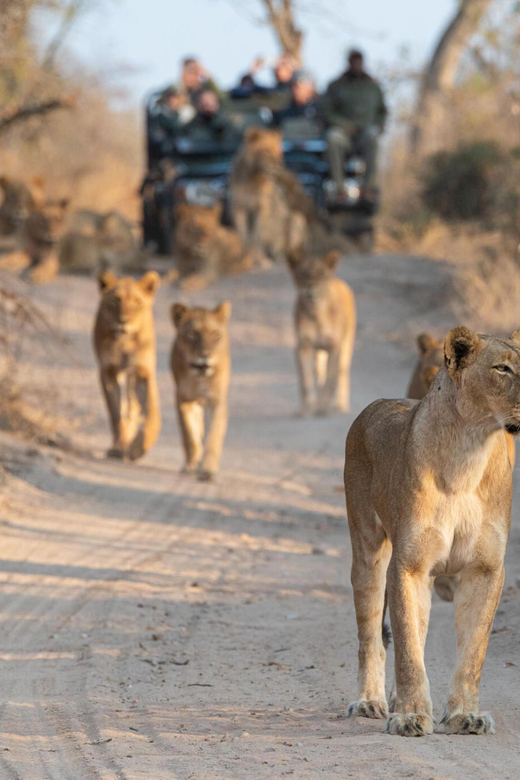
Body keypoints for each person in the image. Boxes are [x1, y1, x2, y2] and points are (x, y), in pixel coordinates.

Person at [322, 49, 387, 196]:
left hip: (365, 133)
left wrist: (379, 126)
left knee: (373, 137)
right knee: (333, 138)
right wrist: (344, 125)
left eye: (359, 61)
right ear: (348, 63)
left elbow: (382, 112)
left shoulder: (372, 86)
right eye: (354, 61)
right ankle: (339, 188)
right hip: (343, 133)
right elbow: (326, 112)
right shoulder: (336, 86)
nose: (357, 65)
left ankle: (368, 187)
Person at [230, 54, 298, 100]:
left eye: (283, 65)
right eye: (278, 66)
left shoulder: (294, 89)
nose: (279, 69)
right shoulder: (277, 89)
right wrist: (253, 71)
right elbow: (244, 90)